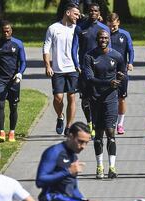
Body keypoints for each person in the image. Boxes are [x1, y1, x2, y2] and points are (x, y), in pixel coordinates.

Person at [36, 122, 109, 201]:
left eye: (86, 143)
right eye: (80, 141)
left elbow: (72, 187)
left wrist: (83, 200)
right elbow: (40, 181)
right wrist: (68, 171)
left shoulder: (73, 156)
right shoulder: (54, 152)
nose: (83, 146)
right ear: (70, 136)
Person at [83, 29, 126, 179]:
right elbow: (89, 78)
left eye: (106, 38)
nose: (103, 40)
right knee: (99, 134)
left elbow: (122, 73)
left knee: (110, 132)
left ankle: (112, 167)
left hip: (111, 99)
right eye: (101, 38)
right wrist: (109, 82)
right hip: (95, 99)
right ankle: (99, 166)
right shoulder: (89, 56)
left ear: (109, 39)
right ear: (97, 39)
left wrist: (121, 79)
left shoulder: (117, 56)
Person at [72, 3, 110, 138]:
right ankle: (89, 123)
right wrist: (76, 64)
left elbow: (108, 49)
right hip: (84, 68)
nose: (93, 13)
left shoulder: (104, 28)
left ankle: (98, 123)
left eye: (95, 11)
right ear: (88, 12)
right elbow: (74, 47)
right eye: (91, 11)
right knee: (86, 99)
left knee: (99, 97)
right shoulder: (80, 28)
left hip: (100, 67)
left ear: (99, 13)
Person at [43, 3, 81, 136]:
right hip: (57, 69)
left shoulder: (77, 29)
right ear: (68, 13)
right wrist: (48, 65)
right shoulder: (53, 28)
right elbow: (46, 48)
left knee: (72, 97)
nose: (78, 16)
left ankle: (69, 127)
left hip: (73, 68)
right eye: (76, 14)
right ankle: (60, 116)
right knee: (58, 98)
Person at [0, 20, 26, 142]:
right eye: (4, 31)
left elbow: (23, 62)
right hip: (0, 80)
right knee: (0, 105)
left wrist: (20, 73)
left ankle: (12, 133)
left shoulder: (18, 44)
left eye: (8, 30)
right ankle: (2, 132)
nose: (6, 33)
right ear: (1, 31)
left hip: (14, 80)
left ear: (11, 30)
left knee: (13, 106)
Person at [106, 12, 134, 135]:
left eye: (114, 26)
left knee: (121, 98)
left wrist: (131, 62)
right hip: (106, 70)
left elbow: (130, 50)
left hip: (121, 70)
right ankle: (108, 122)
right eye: (110, 26)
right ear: (107, 23)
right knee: (107, 98)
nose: (112, 28)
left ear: (118, 23)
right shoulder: (104, 34)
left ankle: (120, 124)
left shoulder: (125, 34)